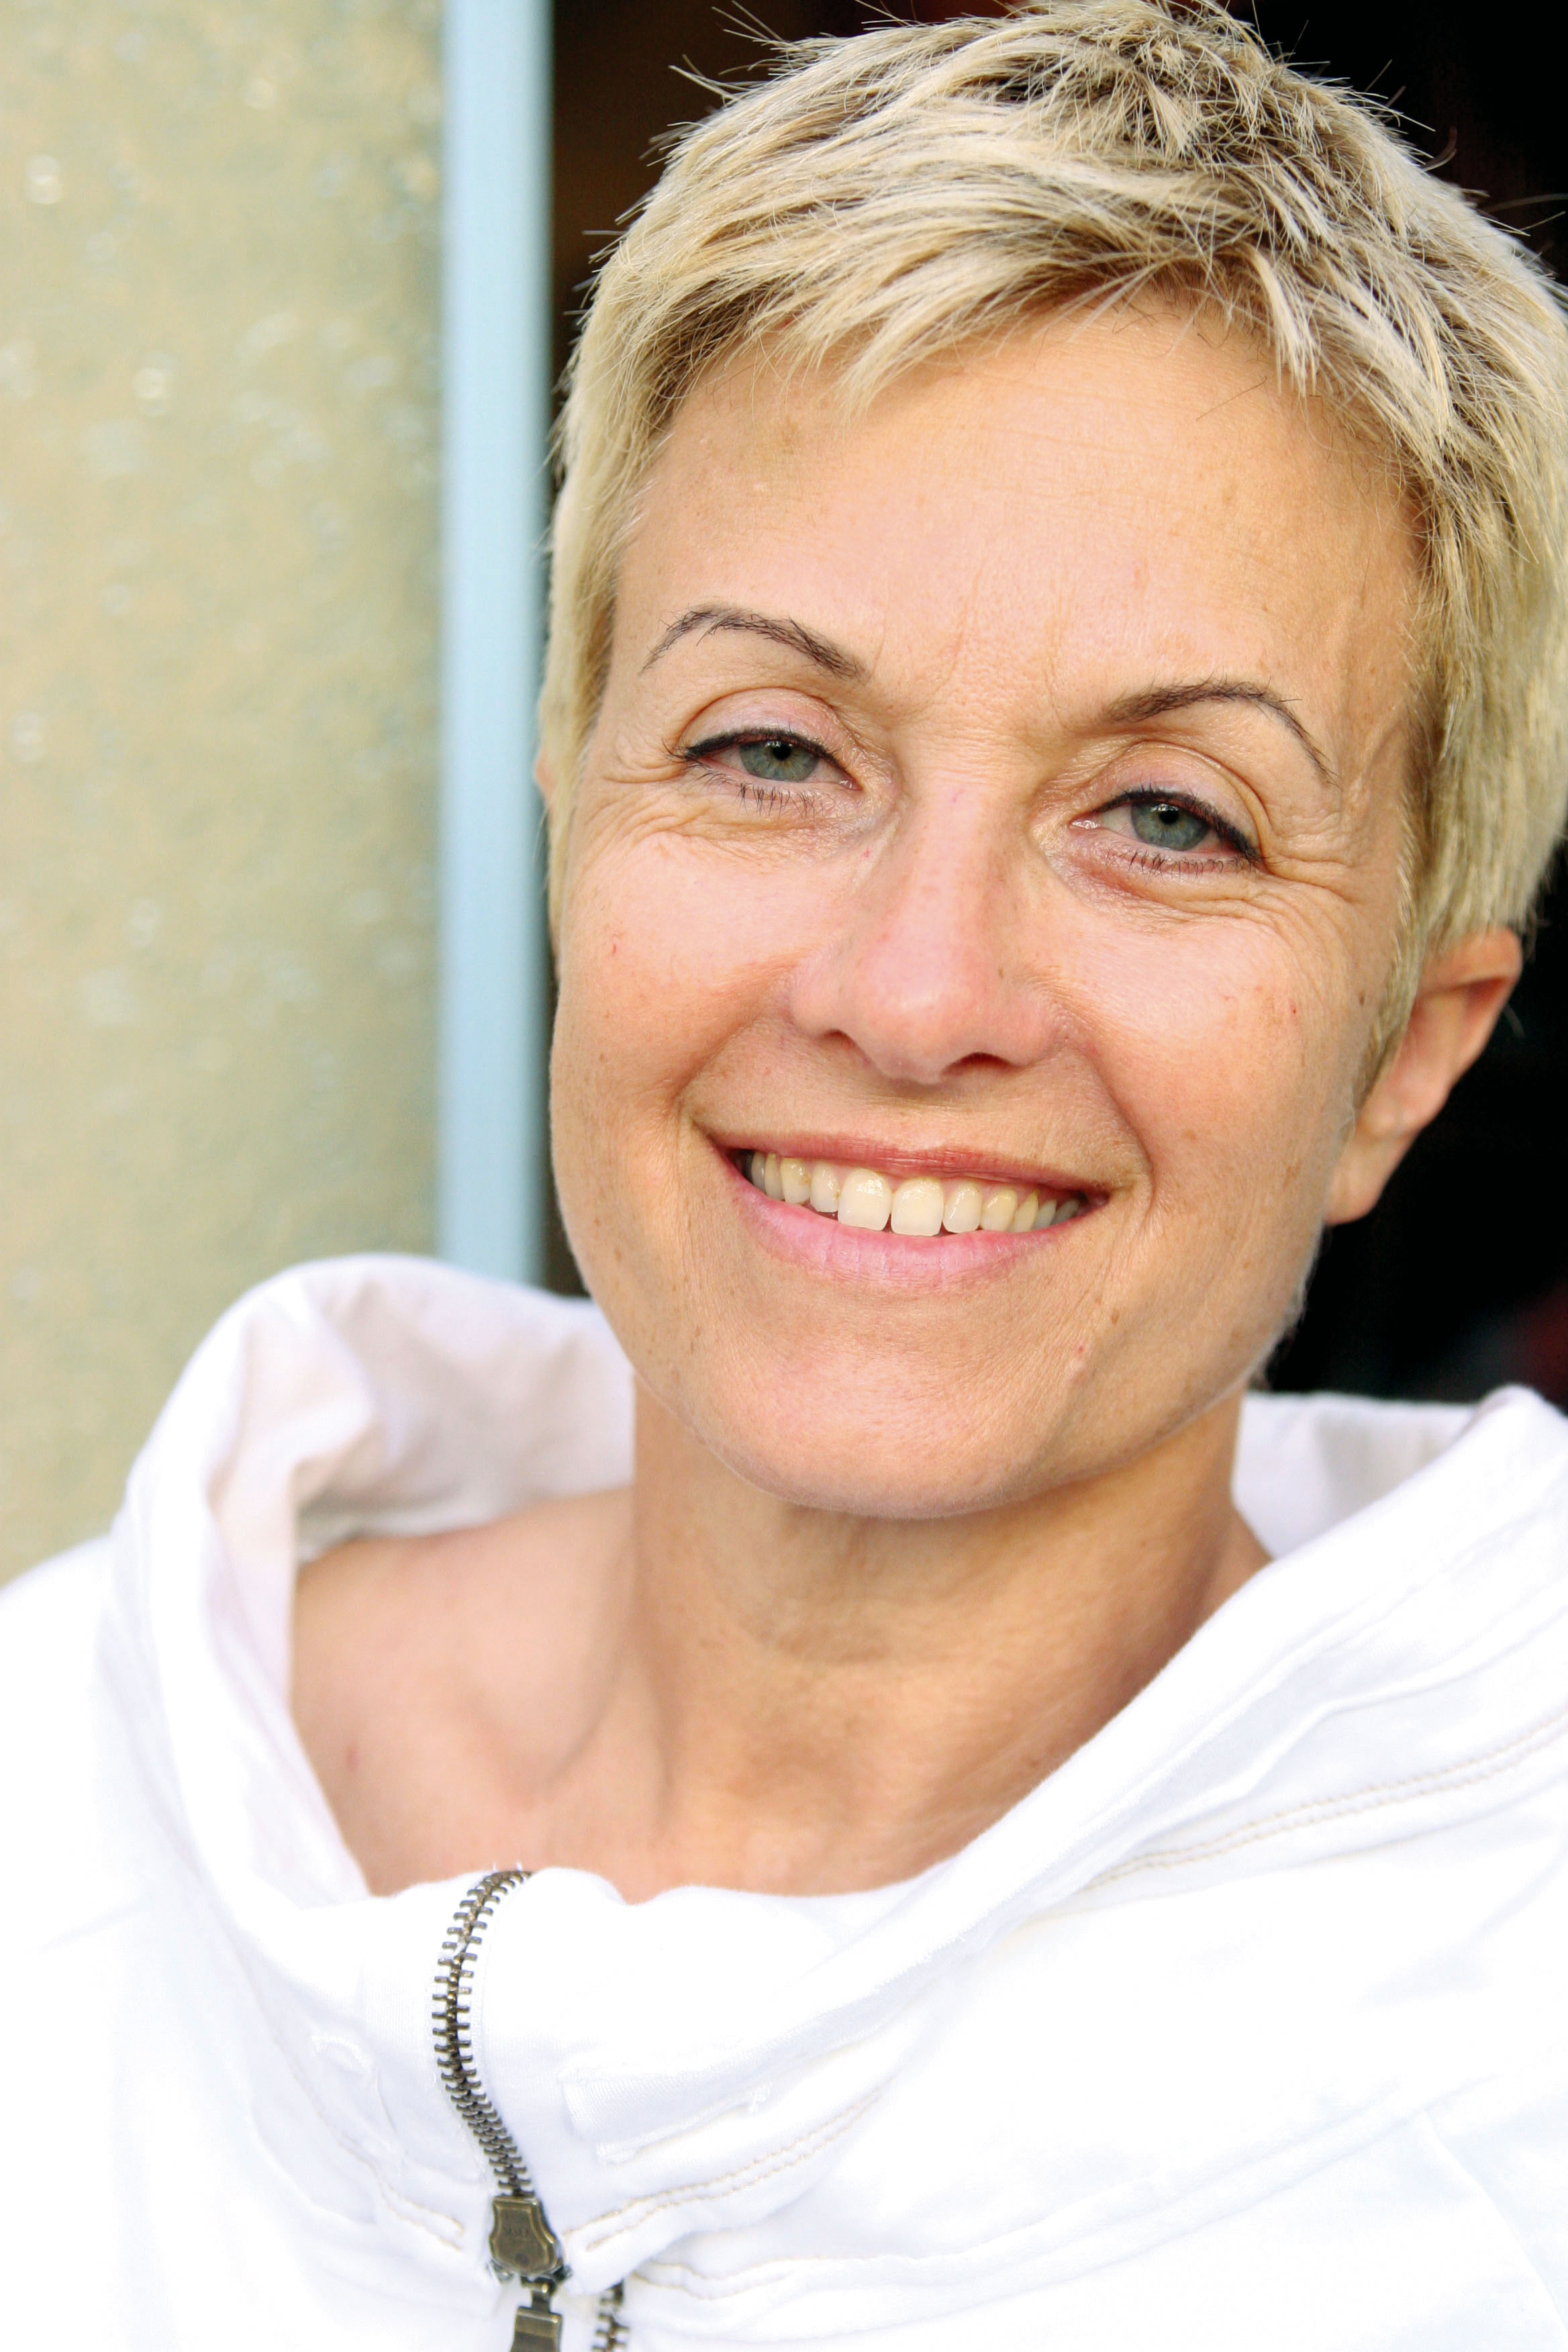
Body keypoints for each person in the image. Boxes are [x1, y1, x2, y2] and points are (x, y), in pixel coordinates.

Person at [5, 4, 1568, 2345]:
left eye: (1170, 817)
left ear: (1401, 1061)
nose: (916, 990)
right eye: (769, 753)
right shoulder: (50, 1805)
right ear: (574, 831)